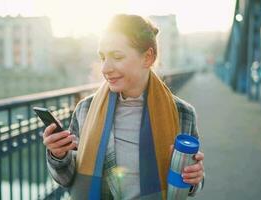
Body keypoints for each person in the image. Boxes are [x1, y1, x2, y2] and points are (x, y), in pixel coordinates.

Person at [43, 14, 204, 199]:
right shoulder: (85, 109)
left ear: (148, 57)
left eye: (117, 56)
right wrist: (58, 154)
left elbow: (191, 185)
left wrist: (194, 178)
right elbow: (66, 178)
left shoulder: (183, 113)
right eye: (103, 57)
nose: (105, 68)